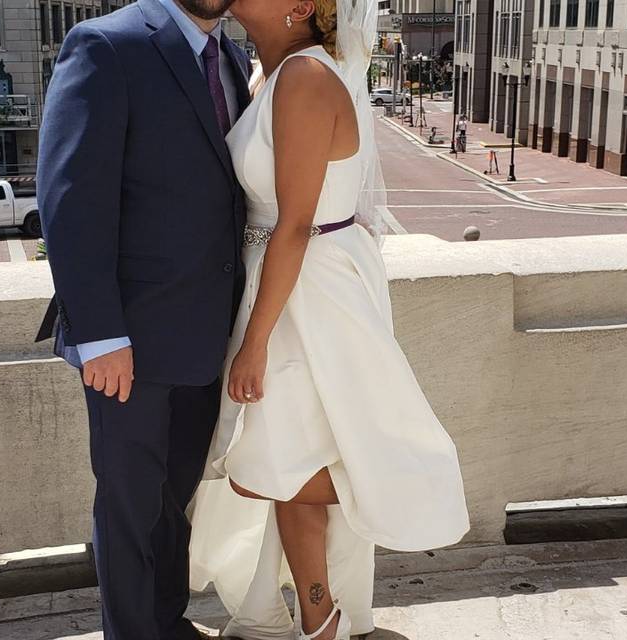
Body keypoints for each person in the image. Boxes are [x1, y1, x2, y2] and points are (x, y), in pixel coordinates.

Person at [188, 0, 472, 639]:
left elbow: (294, 221)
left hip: (308, 290)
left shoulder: (307, 79)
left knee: (277, 460)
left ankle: (387, 507)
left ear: (303, 5)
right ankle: (319, 617)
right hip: (285, 280)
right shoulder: (269, 73)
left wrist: (255, 341)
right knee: (285, 452)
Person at [33, 0, 252, 637]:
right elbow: (70, 198)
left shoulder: (233, 59)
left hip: (206, 332)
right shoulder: (105, 45)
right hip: (126, 340)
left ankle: (165, 621)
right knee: (128, 506)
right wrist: (100, 334)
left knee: (174, 501)